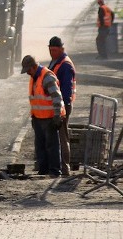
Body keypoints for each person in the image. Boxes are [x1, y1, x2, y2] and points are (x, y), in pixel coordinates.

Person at [21, 54, 66, 177]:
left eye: (28, 70)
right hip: (38, 118)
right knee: (40, 146)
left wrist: (57, 116)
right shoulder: (34, 77)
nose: (27, 73)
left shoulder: (47, 77)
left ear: (34, 67)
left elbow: (57, 97)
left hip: (50, 118)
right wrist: (33, 116)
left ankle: (55, 171)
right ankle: (43, 170)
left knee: (52, 146)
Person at [48, 36, 76, 176]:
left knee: (63, 136)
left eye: (55, 50)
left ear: (61, 49)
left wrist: (61, 109)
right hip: (57, 105)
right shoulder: (55, 61)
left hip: (63, 105)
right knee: (58, 136)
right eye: (50, 50)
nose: (52, 53)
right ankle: (58, 166)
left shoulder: (65, 65)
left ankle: (65, 169)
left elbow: (66, 89)